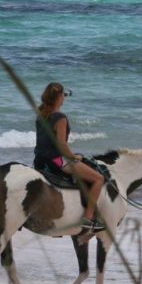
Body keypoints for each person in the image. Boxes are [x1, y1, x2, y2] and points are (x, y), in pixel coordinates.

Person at [34, 82, 107, 231]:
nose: (64, 98)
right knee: (99, 179)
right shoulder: (60, 117)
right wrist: (74, 157)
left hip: (39, 160)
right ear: (59, 97)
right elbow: (62, 145)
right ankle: (88, 218)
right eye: (64, 95)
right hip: (56, 160)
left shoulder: (41, 115)